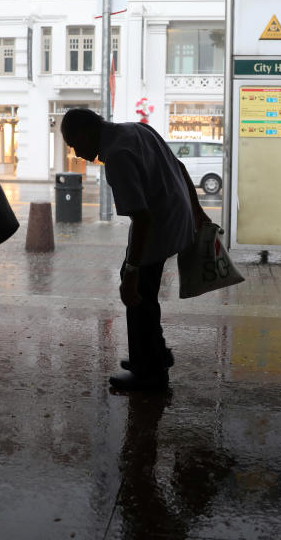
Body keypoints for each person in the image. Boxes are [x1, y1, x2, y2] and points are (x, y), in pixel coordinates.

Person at [61, 108, 210, 391]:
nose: (76, 153)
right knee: (144, 290)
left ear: (85, 133)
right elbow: (179, 166)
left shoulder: (117, 156)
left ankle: (148, 374)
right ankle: (153, 354)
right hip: (178, 216)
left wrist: (131, 272)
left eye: (74, 145)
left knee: (136, 290)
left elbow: (142, 219)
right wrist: (197, 212)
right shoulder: (138, 129)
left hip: (161, 224)